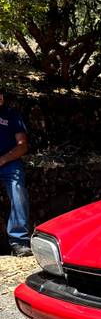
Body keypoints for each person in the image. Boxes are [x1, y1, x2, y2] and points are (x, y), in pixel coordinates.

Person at [0, 85, 31, 256]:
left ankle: (19, 240)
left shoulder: (12, 115)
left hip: (9, 162)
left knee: (18, 190)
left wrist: (3, 159)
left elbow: (23, 145)